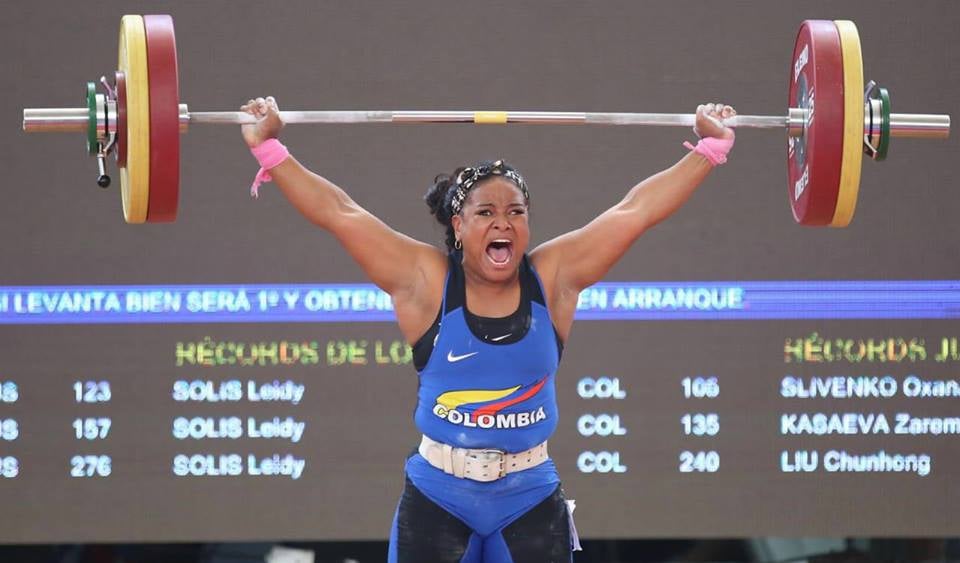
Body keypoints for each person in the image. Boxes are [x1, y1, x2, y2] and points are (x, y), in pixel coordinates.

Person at [240, 96, 736, 563]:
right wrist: (269, 148)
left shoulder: (554, 277)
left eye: (515, 212)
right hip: (438, 497)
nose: (504, 223)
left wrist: (709, 149)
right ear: (458, 225)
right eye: (486, 213)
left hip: (530, 496)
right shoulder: (426, 282)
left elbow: (636, 210)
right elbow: (339, 212)